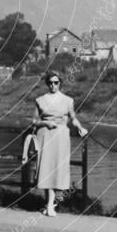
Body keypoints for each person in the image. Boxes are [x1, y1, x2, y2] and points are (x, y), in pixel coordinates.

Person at [32, 71, 87, 216]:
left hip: (61, 136)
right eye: (50, 82)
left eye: (56, 82)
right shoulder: (40, 100)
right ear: (47, 84)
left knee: (58, 168)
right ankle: (49, 205)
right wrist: (45, 122)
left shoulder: (67, 100)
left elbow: (73, 117)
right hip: (45, 135)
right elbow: (34, 121)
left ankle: (50, 203)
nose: (53, 85)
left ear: (60, 83)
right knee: (46, 168)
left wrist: (80, 127)